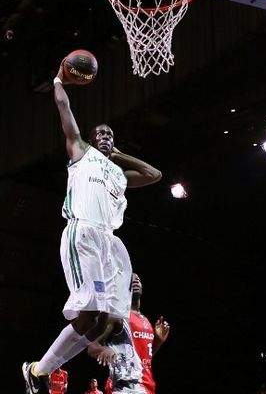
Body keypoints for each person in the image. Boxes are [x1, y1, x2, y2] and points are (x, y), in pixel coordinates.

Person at [22, 60, 162, 394]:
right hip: (82, 232)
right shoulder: (80, 150)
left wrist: (120, 155)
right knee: (93, 311)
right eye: (99, 133)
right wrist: (58, 79)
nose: (103, 137)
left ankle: (37, 371)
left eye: (108, 135)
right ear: (89, 138)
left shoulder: (117, 174)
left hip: (106, 243)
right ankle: (38, 371)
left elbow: (154, 175)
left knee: (95, 320)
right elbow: (63, 106)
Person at [103, 273, 170, 394]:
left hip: (146, 386)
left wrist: (159, 341)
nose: (135, 280)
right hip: (124, 388)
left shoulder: (146, 321)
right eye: (130, 280)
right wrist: (104, 351)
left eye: (138, 278)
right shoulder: (118, 316)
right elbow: (93, 344)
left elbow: (143, 358)